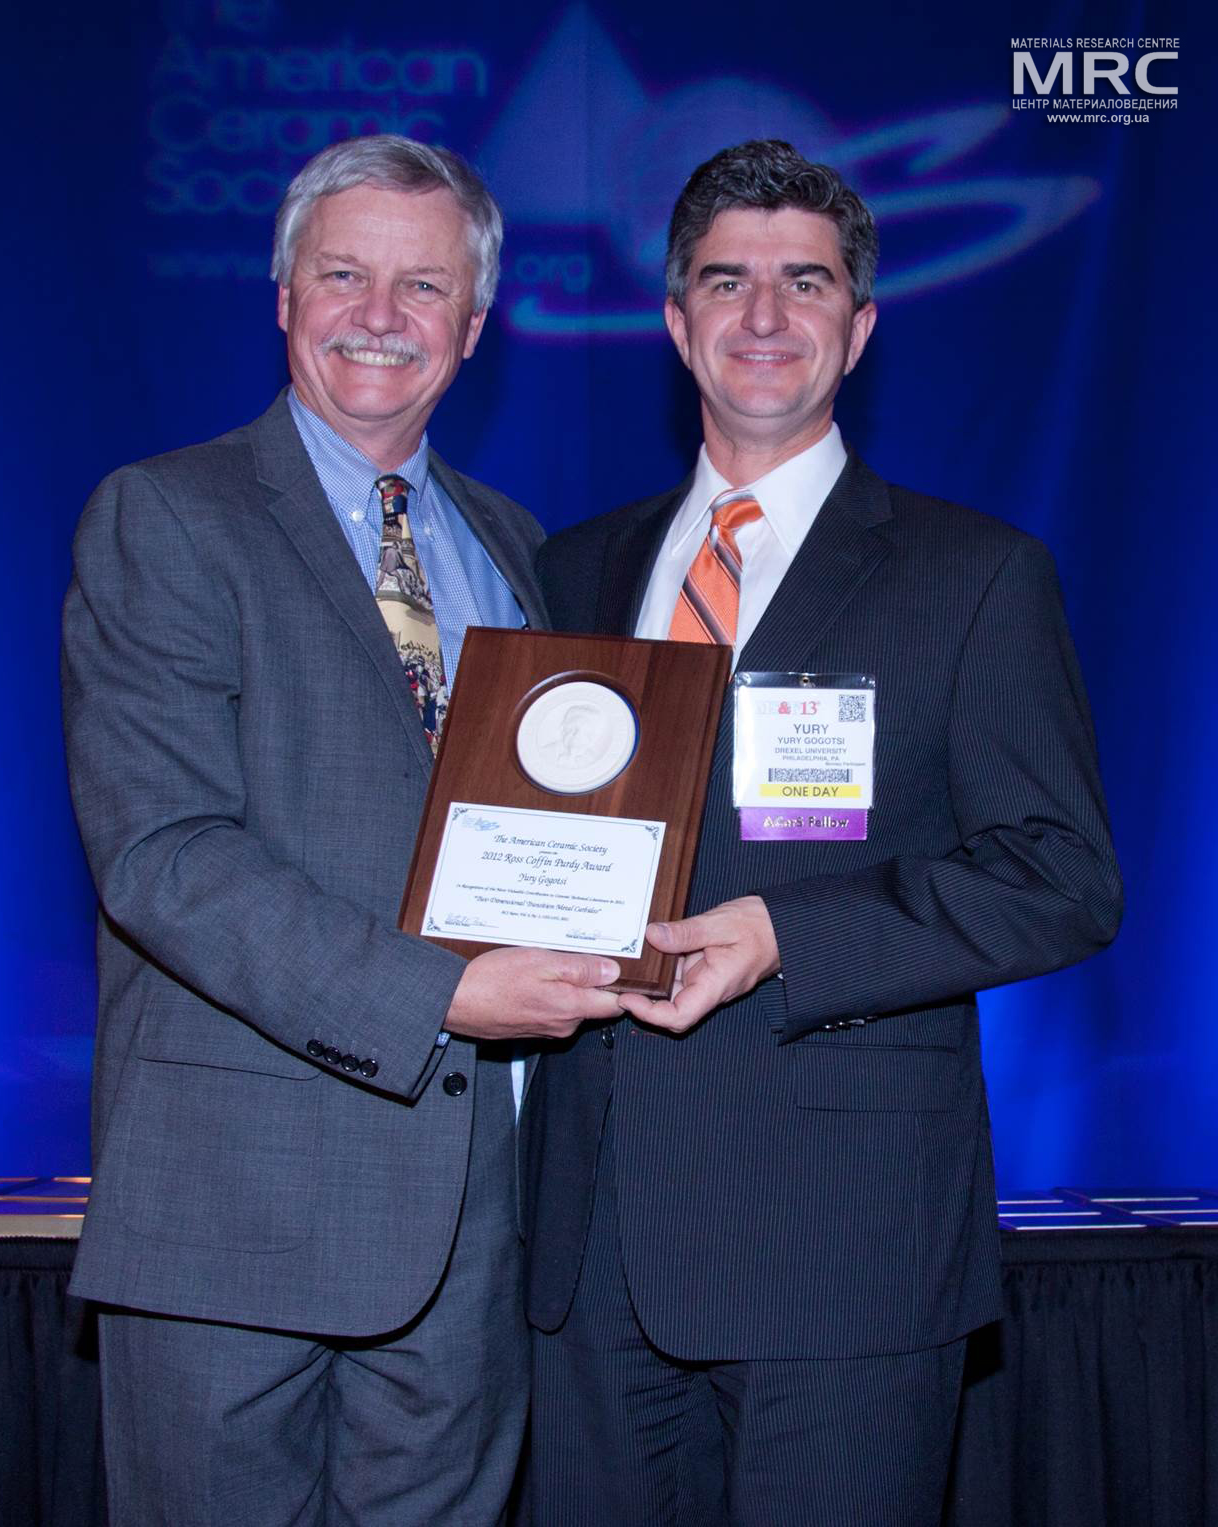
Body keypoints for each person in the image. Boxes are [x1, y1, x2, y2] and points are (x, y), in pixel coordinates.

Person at [521, 139, 1122, 1526]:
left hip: (844, 1246)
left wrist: (785, 935)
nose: (765, 316)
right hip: (591, 1246)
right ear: (675, 325)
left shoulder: (972, 577)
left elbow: (1065, 881)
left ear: (859, 329)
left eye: (806, 283)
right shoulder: (572, 568)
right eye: (726, 282)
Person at [61, 134, 623, 1527]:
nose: (380, 317)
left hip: (472, 1215)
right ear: (281, 296)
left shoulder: (518, 543)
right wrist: (447, 993)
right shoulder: (166, 517)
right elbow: (166, 858)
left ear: (475, 327)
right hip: (234, 1214)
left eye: (423, 288)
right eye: (344, 276)